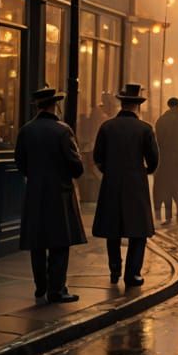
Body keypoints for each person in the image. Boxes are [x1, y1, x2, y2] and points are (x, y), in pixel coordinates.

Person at [14, 87, 86, 304]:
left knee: (38, 241)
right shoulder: (62, 130)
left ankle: (40, 286)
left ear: (38, 106)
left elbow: (20, 162)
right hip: (59, 192)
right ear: (55, 105)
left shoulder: (26, 130)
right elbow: (76, 166)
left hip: (35, 192)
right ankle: (57, 289)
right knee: (60, 242)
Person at [92, 83, 159, 287]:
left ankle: (115, 270)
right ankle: (133, 274)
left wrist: (110, 171)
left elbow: (97, 157)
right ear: (137, 106)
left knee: (113, 229)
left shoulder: (107, 127)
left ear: (121, 103)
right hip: (136, 185)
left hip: (112, 183)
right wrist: (144, 171)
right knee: (138, 231)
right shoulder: (145, 129)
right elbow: (153, 160)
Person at [153, 97, 178, 223]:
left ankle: (167, 214)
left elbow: (157, 139)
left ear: (168, 105)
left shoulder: (161, 120)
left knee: (165, 185)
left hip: (164, 157)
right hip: (177, 158)